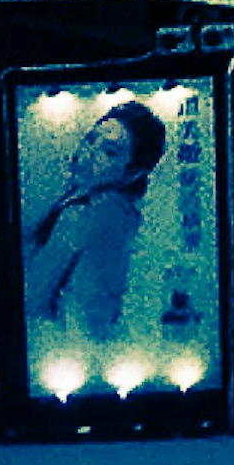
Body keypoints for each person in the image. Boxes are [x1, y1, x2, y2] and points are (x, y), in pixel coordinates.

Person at [26, 99, 166, 351]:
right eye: (91, 139)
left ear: (133, 172)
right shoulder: (128, 216)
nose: (88, 154)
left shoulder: (82, 215)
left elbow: (32, 299)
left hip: (66, 353)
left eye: (109, 152)